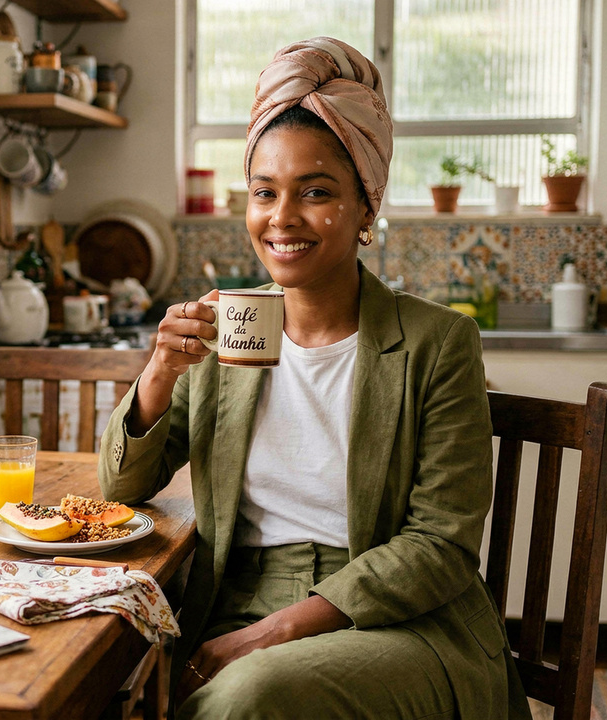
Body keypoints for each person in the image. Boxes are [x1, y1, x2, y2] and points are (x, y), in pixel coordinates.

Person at [97, 38, 532, 719]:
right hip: (236, 595)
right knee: (84, 671)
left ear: (367, 208)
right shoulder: (224, 331)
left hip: (398, 620)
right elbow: (119, 489)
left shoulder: (436, 343)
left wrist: (278, 630)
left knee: (248, 697)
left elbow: (441, 545)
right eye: (264, 193)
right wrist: (157, 373)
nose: (282, 218)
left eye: (317, 192)